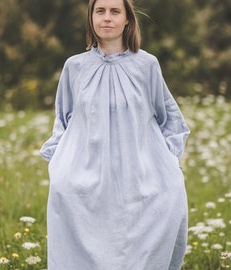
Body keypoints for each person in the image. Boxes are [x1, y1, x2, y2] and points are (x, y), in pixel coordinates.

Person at [39, 0, 190, 269]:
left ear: (127, 20)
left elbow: (169, 118)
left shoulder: (147, 66)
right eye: (100, 11)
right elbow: (63, 121)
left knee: (137, 251)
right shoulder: (74, 67)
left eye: (114, 11)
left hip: (138, 179)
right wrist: (59, 166)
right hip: (85, 179)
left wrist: (169, 164)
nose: (107, 18)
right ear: (91, 19)